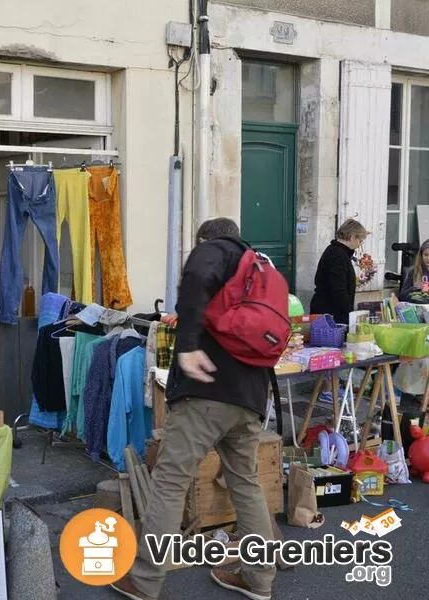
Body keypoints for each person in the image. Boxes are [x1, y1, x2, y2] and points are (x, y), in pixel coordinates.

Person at [111, 218, 276, 600]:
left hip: (207, 394)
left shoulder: (211, 260)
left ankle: (145, 580)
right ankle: (259, 580)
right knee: (246, 484)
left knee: (170, 482)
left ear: (206, 242)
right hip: (251, 394)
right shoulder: (261, 270)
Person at [310, 219, 369, 324]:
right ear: (352, 237)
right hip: (330, 313)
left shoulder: (337, 251)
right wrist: (349, 315)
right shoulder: (338, 255)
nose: (360, 245)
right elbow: (338, 289)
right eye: (360, 241)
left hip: (330, 311)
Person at [398, 239, 429, 304]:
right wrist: (414, 288)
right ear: (421, 255)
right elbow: (401, 296)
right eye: (426, 255)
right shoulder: (414, 272)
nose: (428, 258)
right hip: (417, 309)